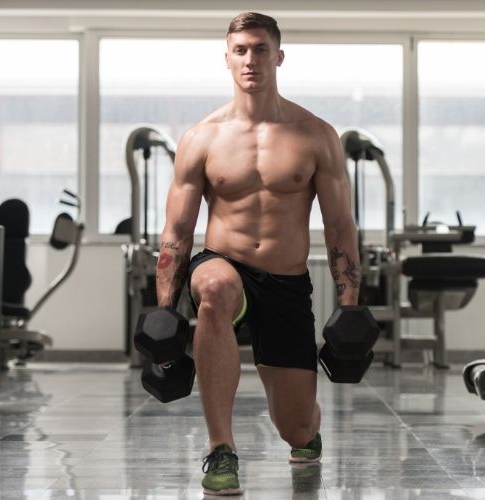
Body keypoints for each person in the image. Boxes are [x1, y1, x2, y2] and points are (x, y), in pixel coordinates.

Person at [154, 11, 360, 496]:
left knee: (296, 429)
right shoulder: (202, 138)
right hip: (222, 263)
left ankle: (308, 426)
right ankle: (220, 448)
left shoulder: (315, 135)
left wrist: (350, 308)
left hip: (286, 282)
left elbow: (339, 227)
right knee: (216, 288)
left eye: (260, 49)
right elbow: (178, 231)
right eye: (241, 50)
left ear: (279, 56)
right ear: (226, 58)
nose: (250, 59)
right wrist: (163, 313)